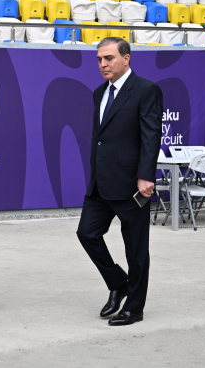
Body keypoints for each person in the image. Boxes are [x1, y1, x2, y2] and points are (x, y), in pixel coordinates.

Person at [76, 36, 163, 326]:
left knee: (135, 250)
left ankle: (134, 308)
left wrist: (146, 176)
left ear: (126, 58)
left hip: (131, 185)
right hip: (100, 184)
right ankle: (118, 283)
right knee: (87, 234)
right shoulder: (99, 92)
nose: (103, 64)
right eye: (99, 59)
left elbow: (151, 135)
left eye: (109, 58)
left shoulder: (146, 90)